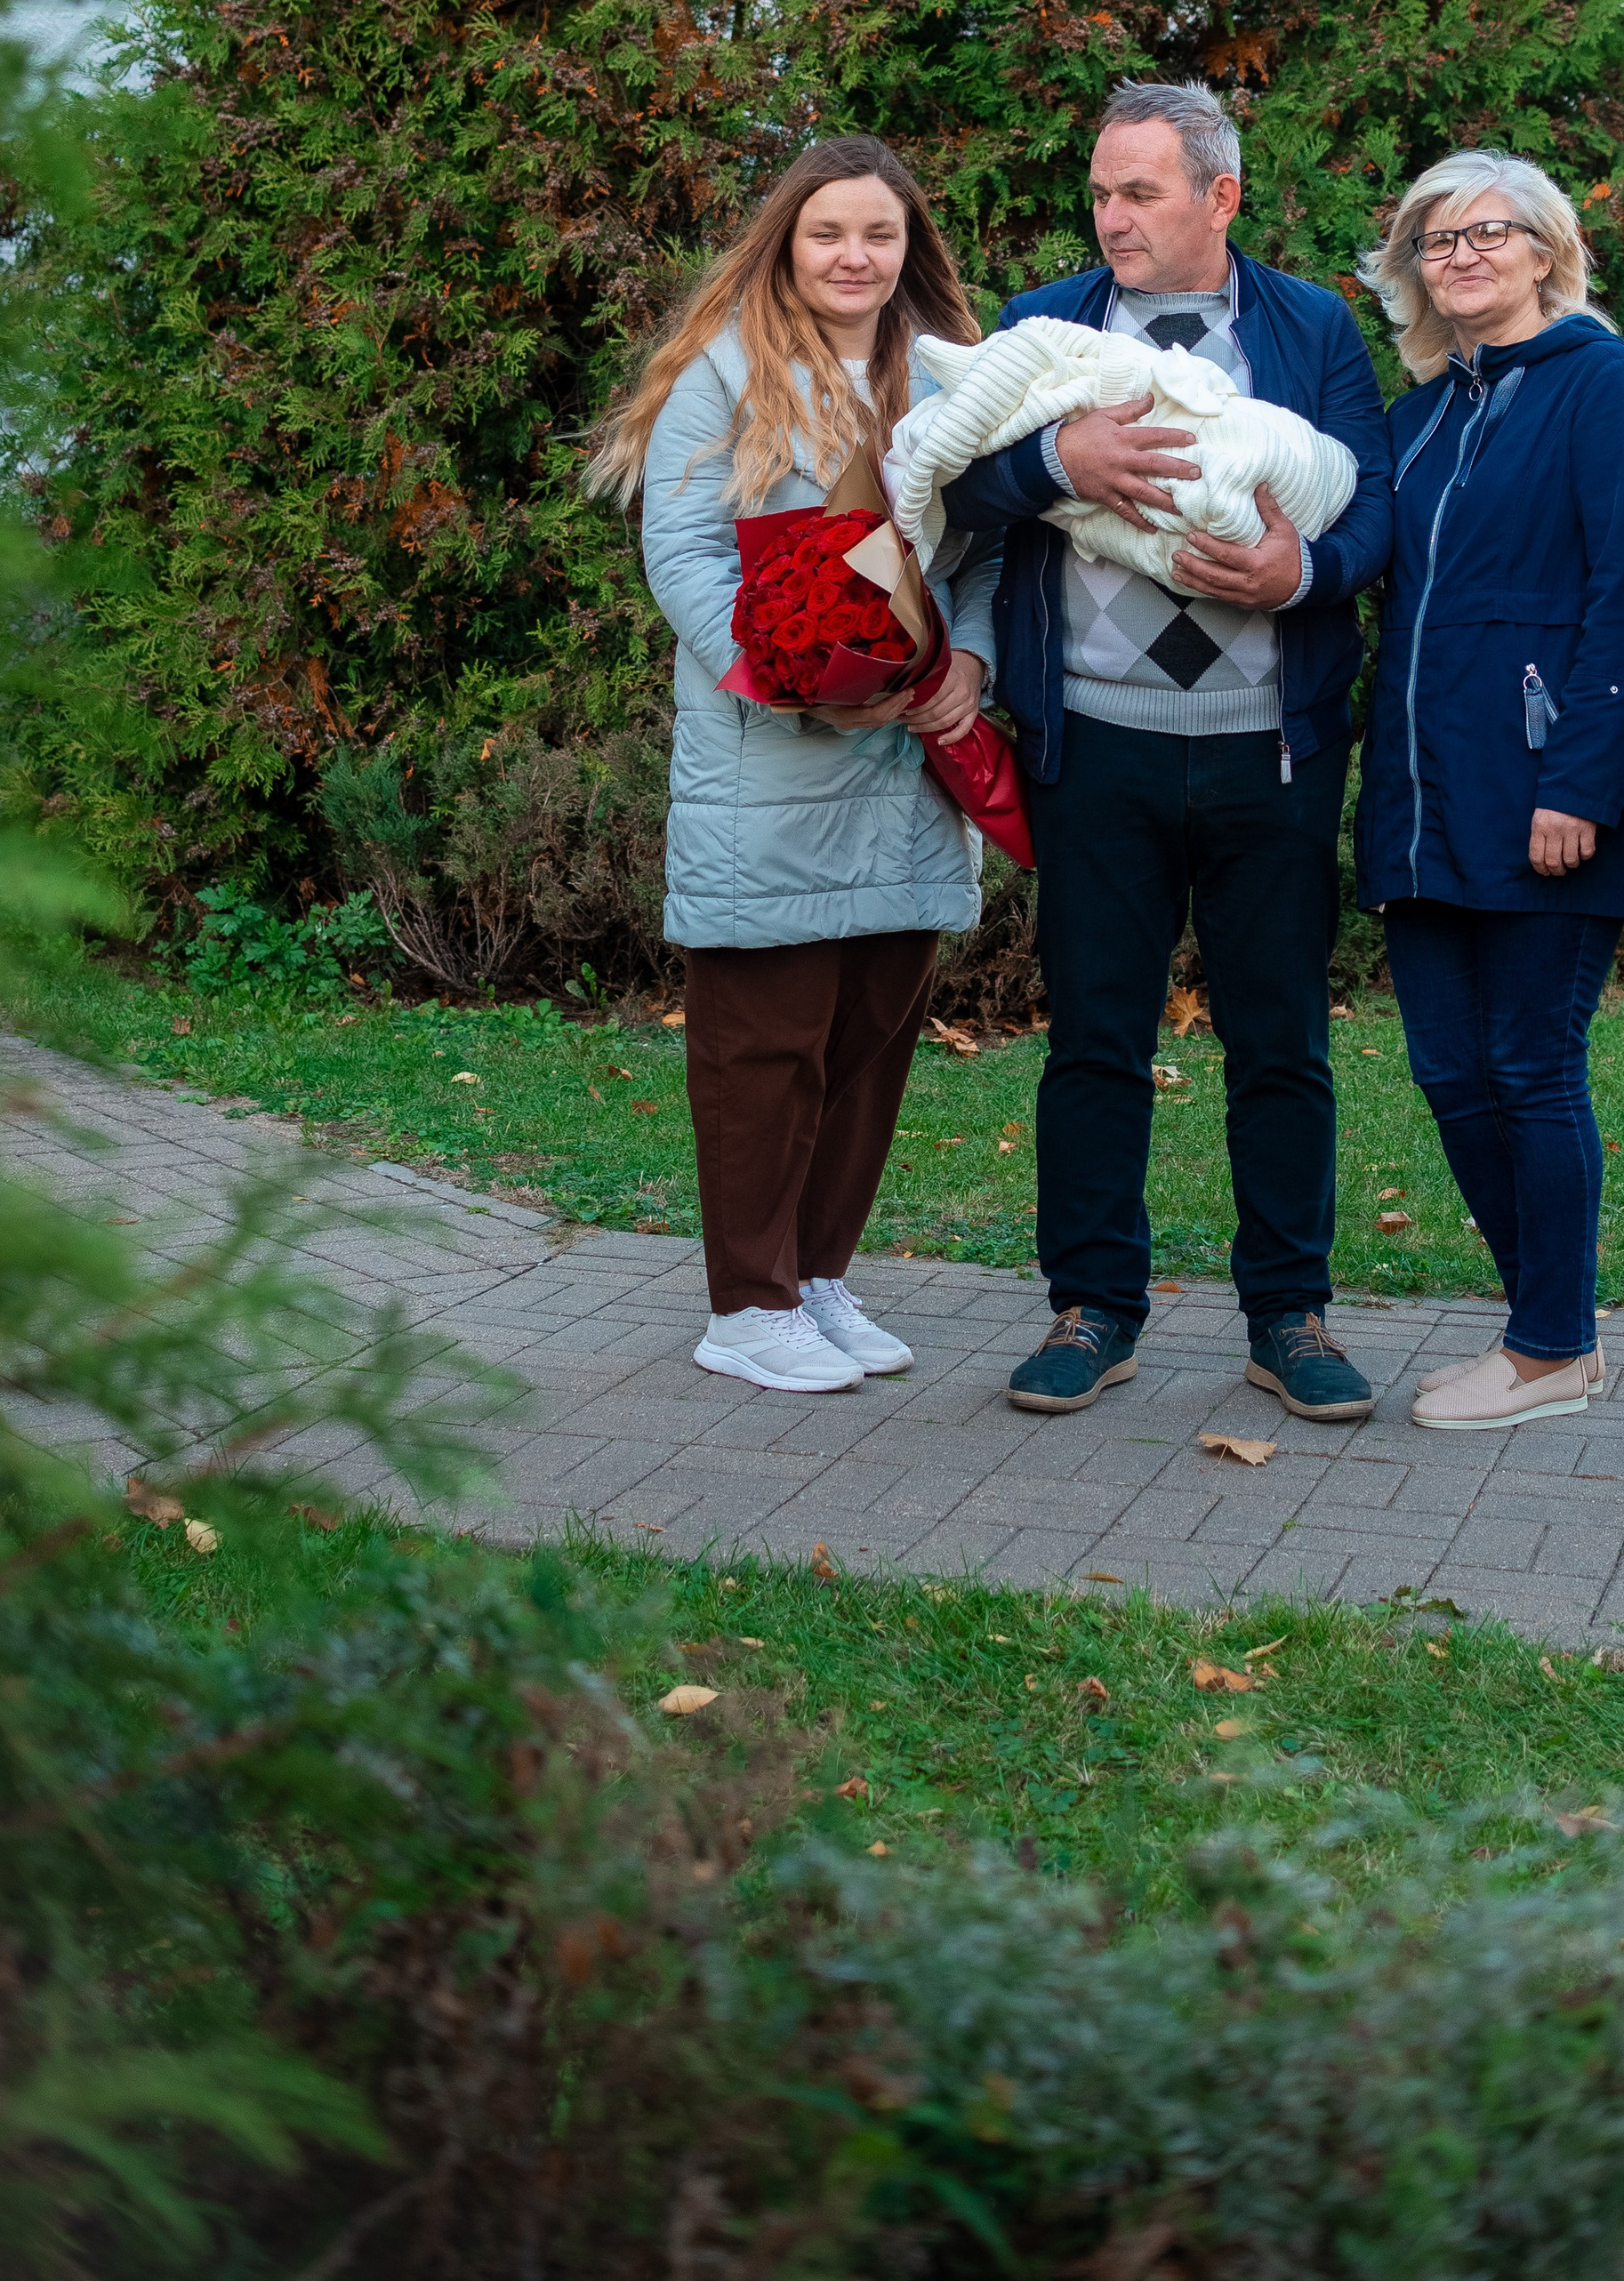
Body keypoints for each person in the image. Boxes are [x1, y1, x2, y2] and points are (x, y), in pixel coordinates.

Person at [939, 82, 1394, 1419]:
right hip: (1099, 750)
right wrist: (1055, 459)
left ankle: (1290, 1317)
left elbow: (1373, 507)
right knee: (1093, 1040)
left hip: (1273, 754)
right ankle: (1091, 1309)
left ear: (1222, 196)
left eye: (1140, 192)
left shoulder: (1312, 328)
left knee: (1282, 1044)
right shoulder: (1041, 325)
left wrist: (1299, 574)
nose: (1112, 217)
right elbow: (960, 485)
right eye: (1100, 192)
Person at [585, 139, 998, 1396]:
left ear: (908, 248)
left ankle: (819, 1276)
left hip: (912, 755)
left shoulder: (951, 380)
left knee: (872, 1030)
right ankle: (746, 1303)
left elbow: (987, 552)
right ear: (788, 245)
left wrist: (964, 667)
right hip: (774, 757)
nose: (854, 257)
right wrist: (791, 675)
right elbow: (689, 559)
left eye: (878, 235)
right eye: (829, 234)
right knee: (766, 1041)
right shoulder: (729, 376)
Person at [1354, 152, 1624, 1431]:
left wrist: (1585, 786)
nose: (1465, 255)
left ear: (1547, 249)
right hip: (1428, 799)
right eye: (1438, 241)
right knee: (1449, 1070)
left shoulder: (1603, 389)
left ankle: (1553, 1345)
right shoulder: (1421, 410)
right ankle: (1546, 1329)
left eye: (1492, 232)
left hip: (1550, 788)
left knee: (1531, 1066)